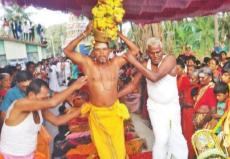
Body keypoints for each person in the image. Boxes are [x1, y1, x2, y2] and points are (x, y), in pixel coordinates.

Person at [63, 21, 139, 159]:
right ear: (94, 52)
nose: (102, 53)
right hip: (97, 114)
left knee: (119, 149)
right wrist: (85, 33)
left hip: (114, 113)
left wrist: (119, 34)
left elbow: (135, 51)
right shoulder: (88, 64)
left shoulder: (116, 63)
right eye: (98, 50)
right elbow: (67, 51)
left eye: (104, 49)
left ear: (109, 51)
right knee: (103, 151)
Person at [119, 37, 188, 159]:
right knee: (162, 139)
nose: (156, 55)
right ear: (147, 52)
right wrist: (115, 96)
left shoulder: (170, 59)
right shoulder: (146, 65)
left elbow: (155, 77)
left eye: (158, 52)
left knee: (176, 137)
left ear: (162, 50)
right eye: (152, 52)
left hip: (172, 106)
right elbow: (133, 84)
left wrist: (134, 62)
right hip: (155, 106)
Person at [0, 77, 87, 158]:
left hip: (29, 154)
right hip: (10, 155)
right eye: (42, 98)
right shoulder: (20, 104)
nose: (44, 101)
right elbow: (52, 103)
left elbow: (57, 121)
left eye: (46, 98)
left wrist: (83, 109)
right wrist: (74, 86)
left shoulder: (39, 108)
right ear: (31, 95)